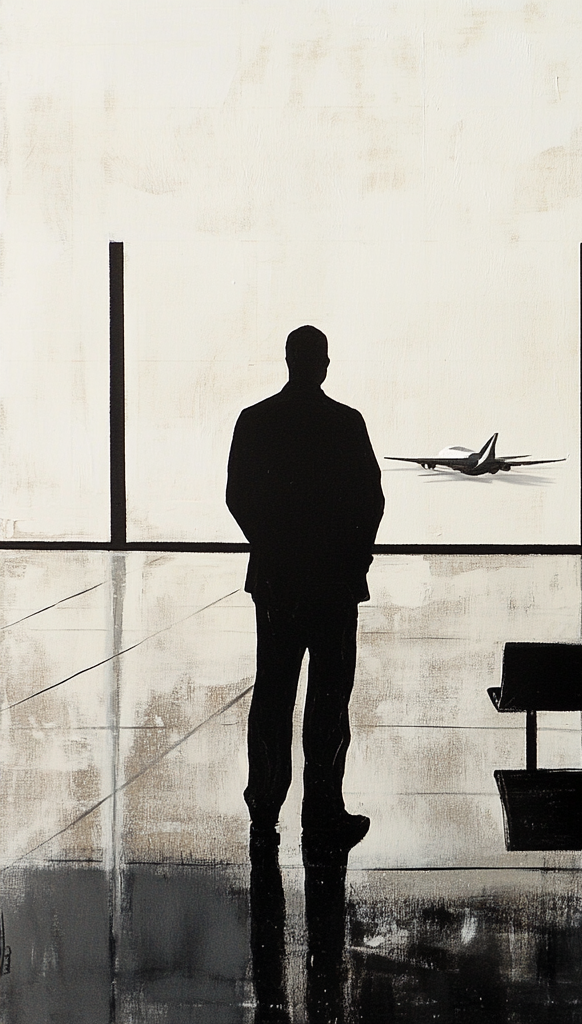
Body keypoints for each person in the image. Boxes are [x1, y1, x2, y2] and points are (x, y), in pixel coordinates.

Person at [227, 325, 385, 853]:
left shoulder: (255, 421)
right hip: (335, 584)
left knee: (273, 693)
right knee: (329, 698)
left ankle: (264, 806)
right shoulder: (346, 423)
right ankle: (323, 809)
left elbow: (237, 496)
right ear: (322, 364)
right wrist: (354, 555)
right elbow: (371, 499)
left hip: (276, 580)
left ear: (288, 360)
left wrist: (272, 544)